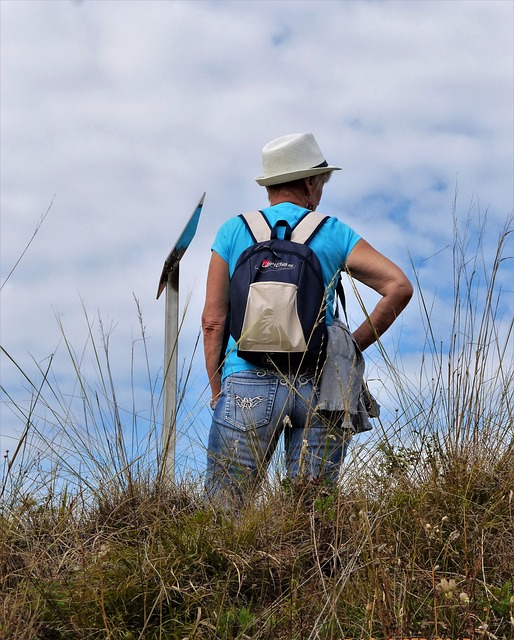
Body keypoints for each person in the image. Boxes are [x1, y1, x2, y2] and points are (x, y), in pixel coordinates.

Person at [201, 132, 413, 505]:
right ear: (310, 182)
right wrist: (350, 344)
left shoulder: (233, 231)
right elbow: (398, 286)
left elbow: (213, 321)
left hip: (245, 382)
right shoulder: (333, 231)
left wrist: (220, 392)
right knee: (309, 521)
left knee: (224, 518)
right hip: (318, 385)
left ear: (270, 185)